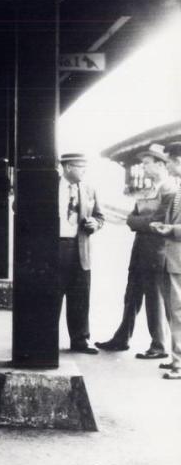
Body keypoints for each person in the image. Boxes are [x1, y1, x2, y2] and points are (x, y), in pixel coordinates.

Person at [96, 144, 175, 358]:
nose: (145, 167)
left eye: (148, 163)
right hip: (141, 248)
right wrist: (136, 221)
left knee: (153, 298)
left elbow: (157, 221)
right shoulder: (151, 189)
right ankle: (122, 338)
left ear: (160, 164)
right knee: (131, 295)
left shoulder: (169, 189)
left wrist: (134, 221)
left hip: (157, 250)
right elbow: (138, 217)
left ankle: (159, 345)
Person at [57, 152, 104, 355]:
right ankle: (46, 339)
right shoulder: (49, 186)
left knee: (80, 296)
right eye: (80, 166)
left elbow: (100, 216)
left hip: (80, 248)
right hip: (55, 247)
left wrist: (96, 223)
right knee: (52, 295)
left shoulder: (89, 188)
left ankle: (80, 340)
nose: (84, 171)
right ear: (68, 167)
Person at [150, 142, 181, 380]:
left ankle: (180, 364)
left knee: (179, 310)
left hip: (178, 257)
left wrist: (169, 228)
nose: (167, 164)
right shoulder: (178, 188)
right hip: (173, 257)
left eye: (169, 160)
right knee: (174, 310)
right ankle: (176, 358)